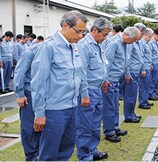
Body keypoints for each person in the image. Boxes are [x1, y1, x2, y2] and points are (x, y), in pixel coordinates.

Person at [30, 10, 89, 161]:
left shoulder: (74, 46)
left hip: (72, 106)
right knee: (50, 150)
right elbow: (38, 83)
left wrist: (84, 93)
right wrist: (39, 113)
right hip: (54, 110)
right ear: (65, 26)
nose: (81, 36)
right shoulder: (48, 47)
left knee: (67, 145)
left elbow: (80, 73)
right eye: (79, 31)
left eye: (84, 32)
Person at [76, 17, 112, 161]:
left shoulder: (99, 44)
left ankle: (92, 149)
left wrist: (105, 80)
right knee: (85, 124)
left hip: (97, 88)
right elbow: (82, 72)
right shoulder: (84, 45)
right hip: (88, 90)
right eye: (104, 34)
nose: (105, 38)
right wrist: (84, 94)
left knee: (96, 122)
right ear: (95, 30)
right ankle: (85, 155)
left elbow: (103, 64)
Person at [103, 26, 140, 142]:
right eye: (133, 40)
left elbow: (126, 61)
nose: (133, 43)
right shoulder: (114, 43)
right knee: (109, 106)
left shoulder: (126, 44)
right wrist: (105, 79)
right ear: (127, 35)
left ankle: (114, 127)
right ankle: (109, 131)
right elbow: (106, 63)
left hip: (117, 79)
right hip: (110, 80)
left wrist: (127, 74)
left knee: (115, 105)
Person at [14, 41, 44, 161]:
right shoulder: (31, 51)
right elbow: (20, 72)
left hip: (42, 93)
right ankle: (31, 156)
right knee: (28, 127)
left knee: (40, 125)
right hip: (29, 93)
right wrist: (20, 94)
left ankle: (39, 153)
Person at [123, 23, 145, 123]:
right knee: (130, 95)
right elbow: (127, 59)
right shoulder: (131, 43)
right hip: (132, 71)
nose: (142, 35)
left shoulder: (137, 43)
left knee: (134, 94)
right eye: (141, 33)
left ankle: (132, 113)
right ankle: (128, 115)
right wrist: (127, 73)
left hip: (136, 71)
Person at [138, 28, 154, 109]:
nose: (151, 38)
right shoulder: (141, 43)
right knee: (144, 86)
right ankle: (142, 102)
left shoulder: (146, 43)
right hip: (145, 67)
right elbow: (141, 57)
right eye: (150, 36)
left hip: (148, 66)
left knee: (147, 85)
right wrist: (143, 69)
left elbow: (148, 56)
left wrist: (150, 64)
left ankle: (145, 100)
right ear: (145, 35)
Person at [149, 28, 158, 100]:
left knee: (156, 78)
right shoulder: (151, 42)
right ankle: (150, 94)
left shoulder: (156, 42)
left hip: (157, 62)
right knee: (153, 79)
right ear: (154, 34)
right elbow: (149, 54)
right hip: (153, 63)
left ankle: (153, 92)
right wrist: (150, 64)